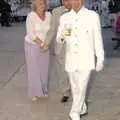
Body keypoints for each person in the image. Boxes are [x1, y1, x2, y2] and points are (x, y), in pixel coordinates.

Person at [56, 0, 104, 119]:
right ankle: (82, 107)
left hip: (86, 58)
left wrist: (100, 58)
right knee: (75, 87)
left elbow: (97, 38)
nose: (76, 2)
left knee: (82, 86)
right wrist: (63, 35)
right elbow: (59, 39)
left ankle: (74, 112)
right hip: (71, 58)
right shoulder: (64, 17)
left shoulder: (92, 16)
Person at [24, 0, 51, 102]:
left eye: (43, 3)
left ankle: (43, 89)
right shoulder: (31, 16)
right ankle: (34, 92)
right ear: (34, 4)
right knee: (34, 69)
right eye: (39, 3)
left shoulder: (48, 15)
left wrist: (47, 44)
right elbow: (31, 34)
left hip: (45, 46)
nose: (42, 5)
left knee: (44, 68)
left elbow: (51, 31)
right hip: (32, 44)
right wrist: (42, 44)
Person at [46, 0, 71, 103]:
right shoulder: (56, 12)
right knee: (62, 71)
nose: (65, 2)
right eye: (63, 0)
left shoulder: (79, 11)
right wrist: (45, 43)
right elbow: (52, 29)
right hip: (60, 46)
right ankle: (65, 92)